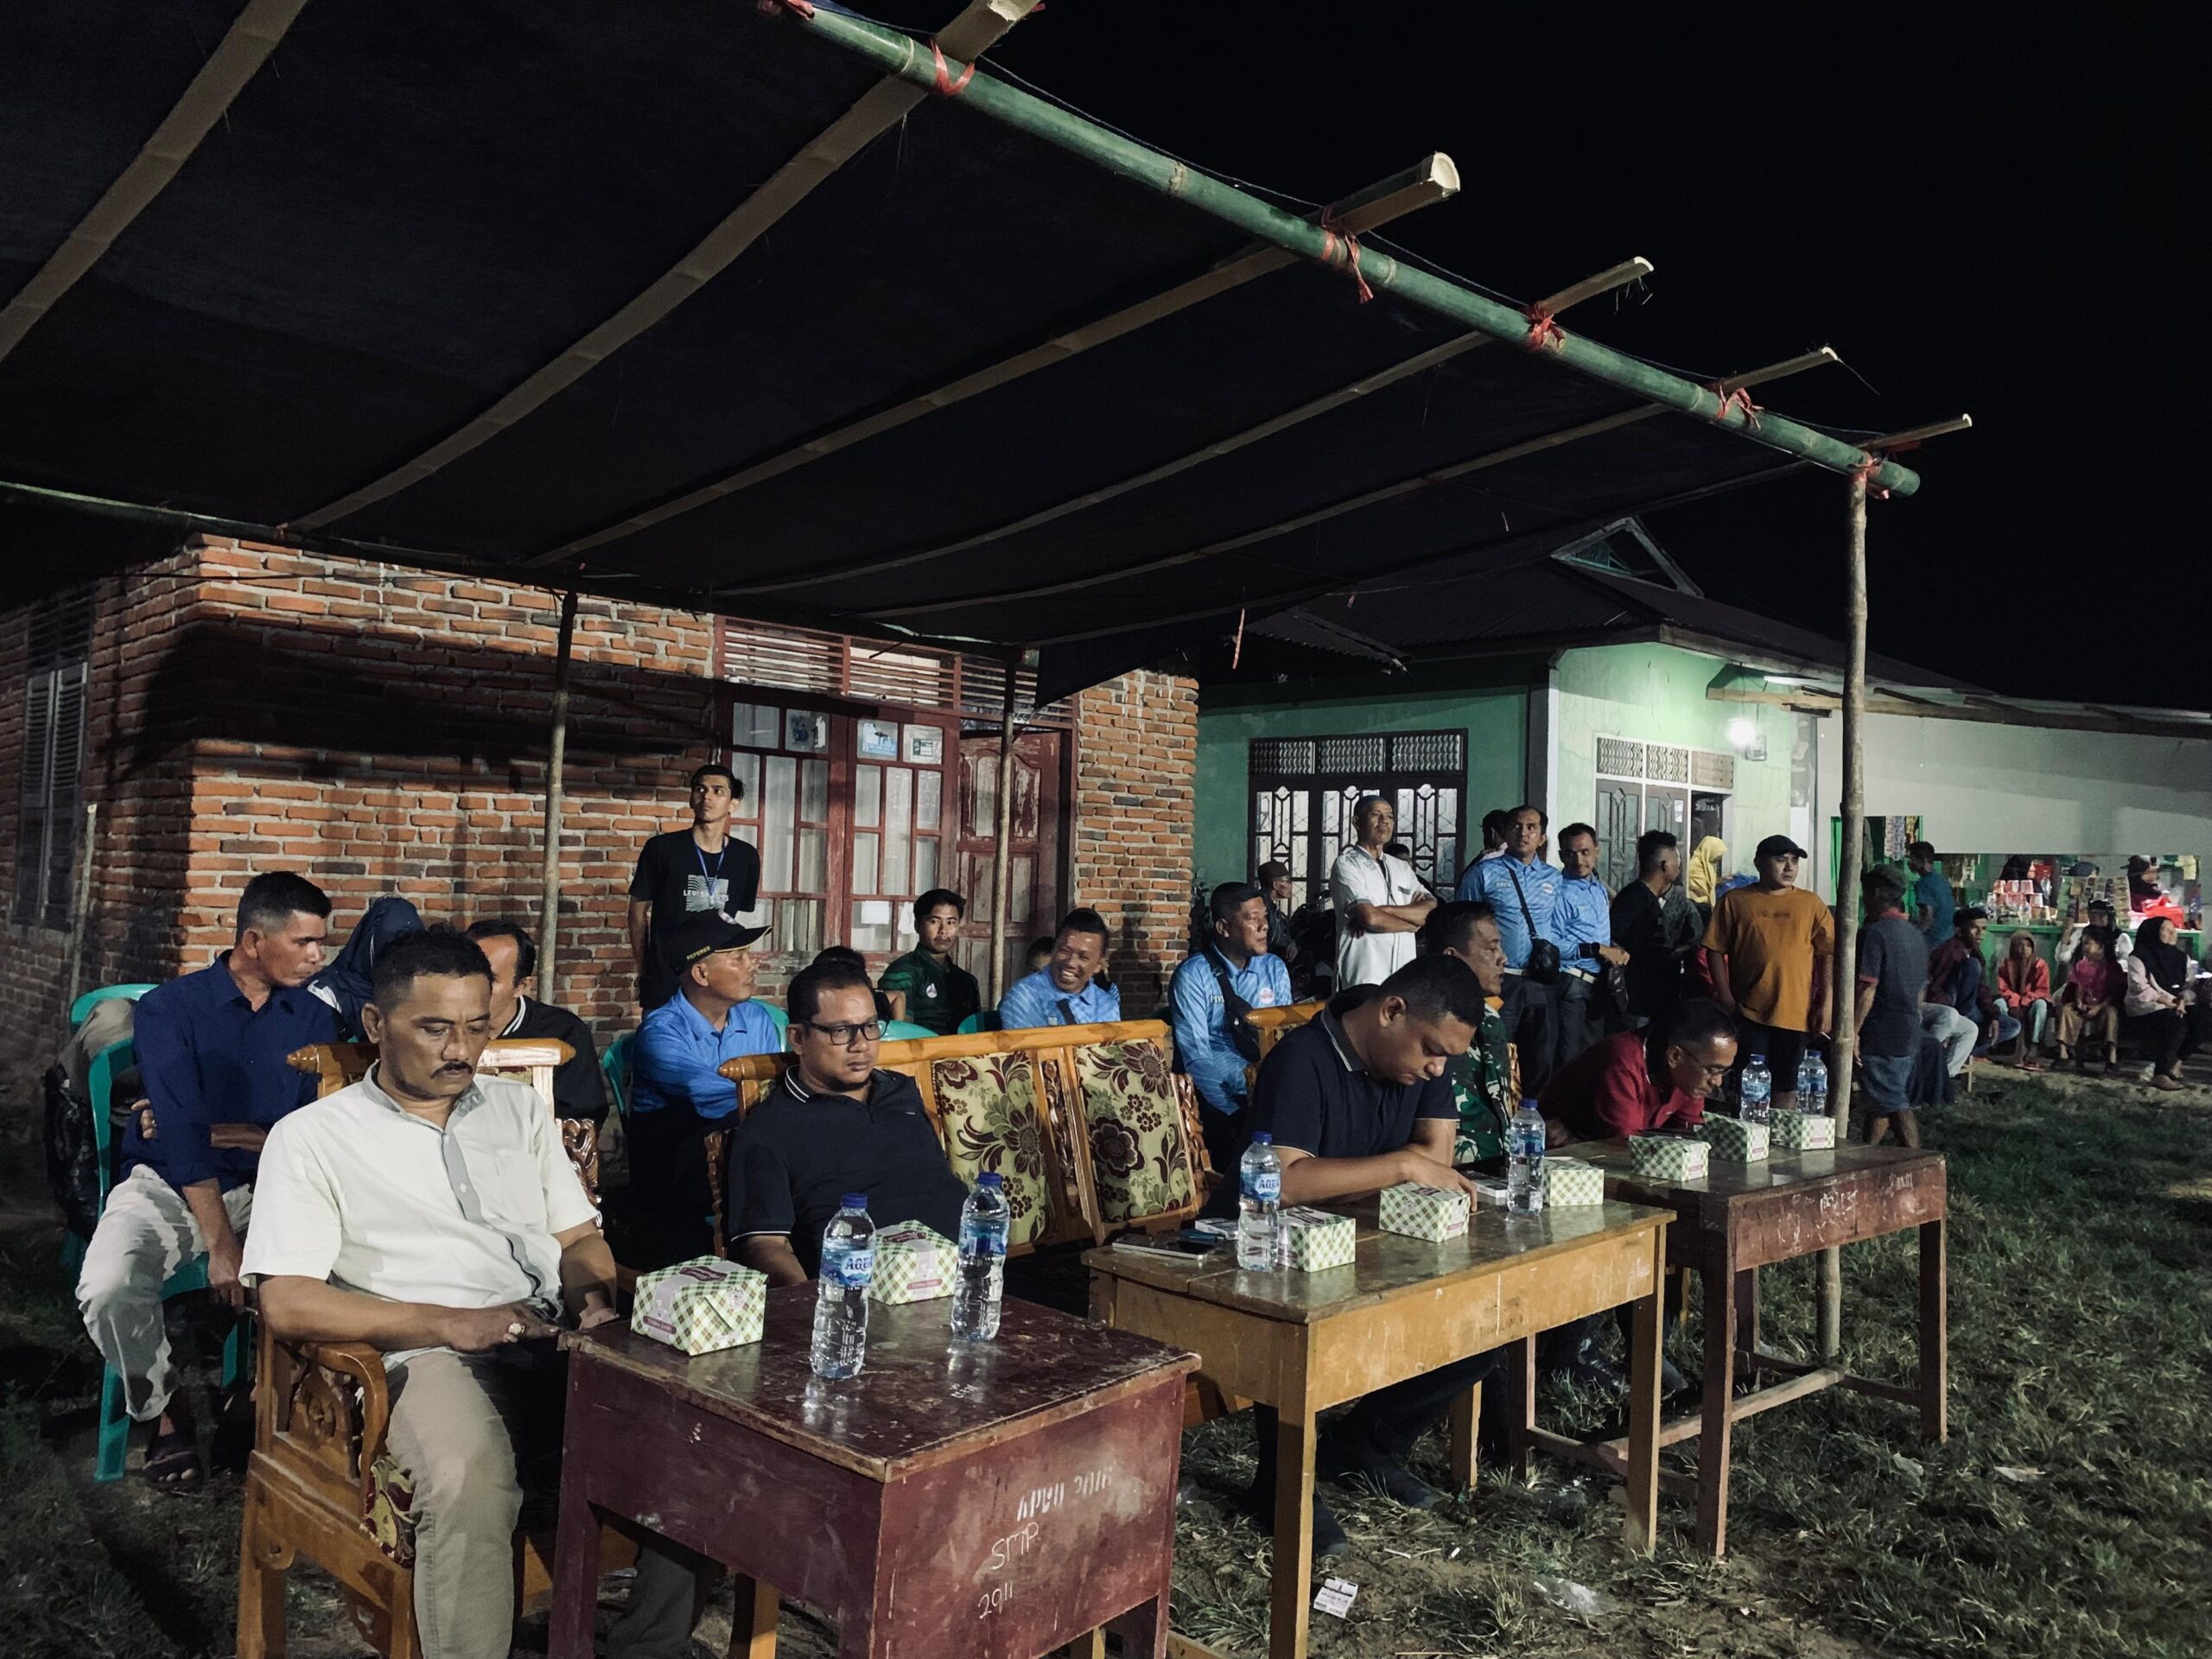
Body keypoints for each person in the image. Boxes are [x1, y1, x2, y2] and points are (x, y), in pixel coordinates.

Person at [242, 928, 705, 1659]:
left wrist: (593, 1304)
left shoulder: (517, 1111)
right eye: (434, 1029)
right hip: (420, 1353)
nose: (461, 1049)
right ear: (375, 1023)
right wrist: (449, 1323)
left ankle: (646, 1647)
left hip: (549, 1333)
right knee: (469, 1479)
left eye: (477, 1027)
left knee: (701, 1443)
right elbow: (288, 1302)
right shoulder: (314, 1137)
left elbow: (578, 1240)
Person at [75, 872, 338, 1491]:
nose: (316, 957)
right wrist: (222, 1244)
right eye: (303, 942)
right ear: (253, 940)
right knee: (108, 1287)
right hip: (168, 1182)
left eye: (320, 943)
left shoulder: (315, 1018)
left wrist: (222, 1132)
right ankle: (163, 1410)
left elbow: (313, 1135)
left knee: (344, 1270)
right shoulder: (171, 1009)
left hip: (275, 1186)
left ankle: (258, 1398)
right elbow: (181, 1137)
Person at [1241, 955, 1486, 1555]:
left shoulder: (1426, 1058)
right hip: (1266, 1243)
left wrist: (1380, 1172)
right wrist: (1399, 1166)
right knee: (1296, 1316)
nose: (1437, 1068)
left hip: (1372, 1232)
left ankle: (1366, 1446)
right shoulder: (1302, 1059)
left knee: (1489, 1319)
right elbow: (1284, 1182)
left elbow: (1438, 1155)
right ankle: (1281, 1484)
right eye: (1432, 1051)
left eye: (1447, 1058)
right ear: (1391, 1011)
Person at [725, 959, 969, 1281]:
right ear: (798, 1039)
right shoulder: (770, 1128)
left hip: (970, 1270)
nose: (861, 1045)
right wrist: (811, 1301)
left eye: (870, 1026)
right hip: (866, 1290)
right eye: (841, 1031)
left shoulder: (900, 1090)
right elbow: (765, 1245)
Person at [628, 913, 779, 1262]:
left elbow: (772, 1086)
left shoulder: (756, 1018)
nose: (751, 964)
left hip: (744, 1159)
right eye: (738, 957)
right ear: (701, 973)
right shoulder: (660, 1034)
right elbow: (711, 1093)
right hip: (677, 1189)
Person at [1702, 835, 1834, 1109]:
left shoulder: (1810, 904)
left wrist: (1826, 1002)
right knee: (1751, 1087)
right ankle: (1752, 1130)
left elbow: (1827, 954)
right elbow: (1714, 949)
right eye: (1781, 860)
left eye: (1794, 861)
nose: (1789, 867)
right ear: (1759, 863)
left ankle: (1781, 1134)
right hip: (1748, 1012)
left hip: (1795, 1014)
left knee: (1787, 1086)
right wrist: (1725, 997)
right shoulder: (1736, 901)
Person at [1170, 882, 1293, 1174]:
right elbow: (1196, 1058)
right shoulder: (1194, 976)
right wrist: (1233, 1113)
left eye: (1265, 916)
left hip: (1268, 1091)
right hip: (1220, 1103)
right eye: (1252, 918)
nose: (1264, 926)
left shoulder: (1274, 968)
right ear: (1224, 928)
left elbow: (1285, 1037)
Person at [626, 763, 762, 1012]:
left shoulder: (745, 857)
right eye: (700, 789)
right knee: (662, 1035)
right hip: (666, 978)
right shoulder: (662, 849)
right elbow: (637, 912)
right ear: (691, 798)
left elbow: (733, 920)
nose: (707, 796)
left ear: (733, 804)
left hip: (716, 982)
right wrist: (645, 966)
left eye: (718, 791)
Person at [1457, 804, 1568, 1093]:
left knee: (1541, 1058)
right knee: (1497, 1054)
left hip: (1542, 982)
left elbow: (1560, 928)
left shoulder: (1554, 879)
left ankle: (1532, 1113)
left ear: (1542, 837)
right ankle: (1498, 1111)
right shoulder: (1484, 873)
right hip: (1501, 981)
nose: (1523, 833)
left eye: (1532, 827)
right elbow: (1462, 924)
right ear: (1505, 833)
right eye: (1516, 826)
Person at [461, 918, 607, 1122]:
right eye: (464, 975)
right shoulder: (435, 1029)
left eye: (490, 980)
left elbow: (581, 1115)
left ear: (521, 986)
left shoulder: (563, 1033)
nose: (470, 989)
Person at [1541, 998, 1735, 1145]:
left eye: (1723, 1072)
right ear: (1675, 1056)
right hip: (1560, 1151)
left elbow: (1691, 1136)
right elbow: (1626, 1145)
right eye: (1712, 1070)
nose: (1717, 1082)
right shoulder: (1623, 1060)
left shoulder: (1687, 1076)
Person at [1415, 902, 1513, 1161]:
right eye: (1491, 949)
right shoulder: (1419, 1023)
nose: (1503, 958)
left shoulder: (1491, 1018)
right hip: (1443, 1171)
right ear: (1452, 957)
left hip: (1500, 1169)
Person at [1854, 870, 1931, 1147]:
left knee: (1895, 1103)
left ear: (1875, 894)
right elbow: (1921, 990)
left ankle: (1918, 1161)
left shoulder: (1876, 933)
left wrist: (1853, 1031)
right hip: (1908, 1028)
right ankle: (1867, 1155)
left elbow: (1868, 988)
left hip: (1881, 1030)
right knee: (1881, 1101)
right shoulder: (1915, 934)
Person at [1330, 796, 1434, 989]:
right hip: (1364, 977)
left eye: (1389, 816)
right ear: (1357, 822)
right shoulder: (1347, 865)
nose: (1384, 821)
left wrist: (1383, 910)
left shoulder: (1401, 868)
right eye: (1376, 815)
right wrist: (1413, 924)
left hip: (1403, 978)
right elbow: (1370, 918)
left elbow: (1431, 909)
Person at [1552, 822, 1630, 1060]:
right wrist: (1596, 949)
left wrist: (1613, 948)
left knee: (1594, 1057)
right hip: (1571, 984)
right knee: (1570, 1060)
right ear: (1561, 856)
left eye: (1585, 852)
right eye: (1570, 854)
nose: (1579, 861)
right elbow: (1552, 944)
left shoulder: (1598, 887)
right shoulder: (1559, 892)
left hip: (1599, 985)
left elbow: (1595, 933)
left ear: (1597, 851)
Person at [1611, 830, 1699, 1029]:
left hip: (1658, 1000)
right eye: (1676, 860)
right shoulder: (1633, 899)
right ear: (1665, 865)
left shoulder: (1653, 900)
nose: (1679, 866)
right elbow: (1614, 941)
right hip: (1637, 1003)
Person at [874, 889, 981, 1036]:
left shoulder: (967, 981)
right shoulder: (903, 972)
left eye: (951, 922)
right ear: (917, 925)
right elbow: (899, 1032)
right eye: (934, 921)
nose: (943, 931)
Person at [2125, 917, 2209, 1090]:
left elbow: (2189, 984)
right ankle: (2160, 1074)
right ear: (2154, 933)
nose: (2173, 933)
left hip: (2177, 1002)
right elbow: (2140, 988)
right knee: (2176, 1024)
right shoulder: (2138, 957)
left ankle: (2176, 1063)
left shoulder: (2180, 957)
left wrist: (2182, 1000)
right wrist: (2170, 1002)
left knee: (2203, 1019)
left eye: (2173, 929)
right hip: (2147, 1006)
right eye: (2166, 929)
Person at [999, 908, 1122, 1028]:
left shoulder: (1107, 1005)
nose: (1071, 963)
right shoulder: (1025, 996)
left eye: (1083, 957)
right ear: (1054, 950)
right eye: (1065, 951)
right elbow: (1029, 1042)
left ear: (1098, 965)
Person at [1929, 907, 2018, 1059]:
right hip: (1951, 1008)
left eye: (1984, 929)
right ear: (1959, 930)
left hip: (1972, 1010)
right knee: (1972, 965)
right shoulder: (1949, 951)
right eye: (1975, 928)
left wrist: (1992, 1016)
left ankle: (1960, 1051)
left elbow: (1983, 991)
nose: (1980, 933)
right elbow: (1935, 987)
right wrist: (1948, 1016)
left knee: (2012, 1027)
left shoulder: (1976, 953)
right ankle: (1958, 1042)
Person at [2056, 931, 2122, 1072]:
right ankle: (2063, 1053)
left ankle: (2112, 1057)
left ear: (2100, 946)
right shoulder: (2081, 965)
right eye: (2083, 944)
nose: (2084, 947)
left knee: (2111, 1013)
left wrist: (2098, 1008)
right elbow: (2078, 987)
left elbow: (2113, 994)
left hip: (2102, 1007)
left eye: (2088, 943)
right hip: (2084, 1005)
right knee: (2066, 1010)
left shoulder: (2113, 967)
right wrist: (2079, 1002)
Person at [1994, 931, 2053, 1068]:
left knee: (2041, 1005)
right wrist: (2015, 1001)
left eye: (2028, 945)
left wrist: (2026, 1000)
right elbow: (2002, 988)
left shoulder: (2040, 965)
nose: (2024, 949)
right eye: (2020, 945)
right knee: (1998, 1003)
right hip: (2012, 1002)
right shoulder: (2006, 964)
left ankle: (2034, 1044)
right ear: (2013, 947)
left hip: (2031, 1002)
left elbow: (2043, 990)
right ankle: (2005, 1041)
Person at [810, 945, 898, 1025]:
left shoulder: (874, 1000)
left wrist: (897, 1027)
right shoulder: (812, 1003)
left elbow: (898, 996)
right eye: (840, 1030)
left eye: (870, 1026)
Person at [1255, 861, 1302, 969]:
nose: (1291, 885)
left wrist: (1291, 943)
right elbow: (1271, 941)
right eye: (1287, 881)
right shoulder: (1262, 907)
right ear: (1275, 885)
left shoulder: (1271, 905)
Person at [1907, 842, 1955, 946]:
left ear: (1923, 860)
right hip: (1948, 938)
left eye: (1912, 859)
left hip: (1932, 940)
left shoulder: (1924, 883)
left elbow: (1927, 917)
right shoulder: (1941, 880)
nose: (1909, 863)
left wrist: (1913, 937)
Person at [1684, 835, 1727, 918]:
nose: (1719, 858)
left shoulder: (1708, 863)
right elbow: (1683, 880)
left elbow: (1708, 881)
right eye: (1718, 854)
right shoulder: (1693, 863)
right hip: (1696, 903)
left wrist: (1721, 880)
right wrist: (1693, 888)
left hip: (1706, 903)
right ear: (1710, 850)